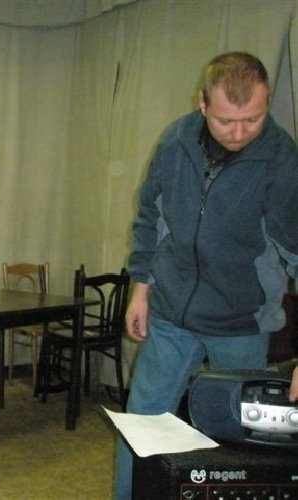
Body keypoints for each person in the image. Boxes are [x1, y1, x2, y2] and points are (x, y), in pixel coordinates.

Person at [115, 51, 298, 499]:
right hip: (170, 314)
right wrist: (141, 289)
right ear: (202, 103)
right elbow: (151, 219)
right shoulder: (175, 141)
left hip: (240, 324)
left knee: (238, 449)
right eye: (225, 121)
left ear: (267, 102)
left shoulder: (281, 160)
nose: (239, 133)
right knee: (140, 429)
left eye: (253, 120)